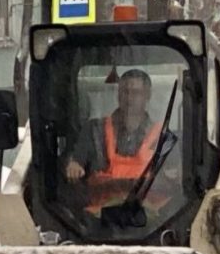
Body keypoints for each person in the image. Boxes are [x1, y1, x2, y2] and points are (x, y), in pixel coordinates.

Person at [63, 69, 167, 215]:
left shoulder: (163, 137)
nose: (130, 98)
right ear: (118, 94)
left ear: (147, 96)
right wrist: (73, 166)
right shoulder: (93, 130)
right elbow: (76, 161)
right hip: (99, 223)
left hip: (151, 222)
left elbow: (174, 181)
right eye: (125, 92)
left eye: (136, 93)